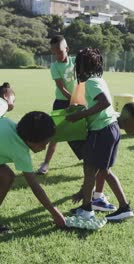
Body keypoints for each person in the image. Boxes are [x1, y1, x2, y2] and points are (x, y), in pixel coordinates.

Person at [66, 47, 134, 221]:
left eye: (77, 65)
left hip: (102, 131)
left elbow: (104, 102)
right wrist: (82, 109)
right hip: (111, 129)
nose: (77, 69)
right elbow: (99, 103)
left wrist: (80, 115)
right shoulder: (98, 79)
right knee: (104, 171)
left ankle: (87, 209)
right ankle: (124, 207)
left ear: (82, 67)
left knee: (90, 170)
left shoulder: (90, 82)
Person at [71, 102, 134, 212]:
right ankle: (121, 206)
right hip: (109, 133)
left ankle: (123, 206)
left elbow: (96, 170)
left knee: (102, 170)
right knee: (104, 170)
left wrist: (84, 190)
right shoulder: (114, 123)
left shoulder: (114, 121)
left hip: (108, 134)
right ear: (126, 121)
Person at [37, 35, 77, 175]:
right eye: (54, 53)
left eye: (59, 51)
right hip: (62, 101)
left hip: (78, 101)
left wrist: (80, 100)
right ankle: (46, 163)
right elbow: (62, 88)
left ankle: (88, 159)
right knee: (55, 134)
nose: (57, 55)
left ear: (67, 49)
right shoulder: (54, 66)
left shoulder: (76, 61)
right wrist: (73, 100)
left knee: (83, 130)